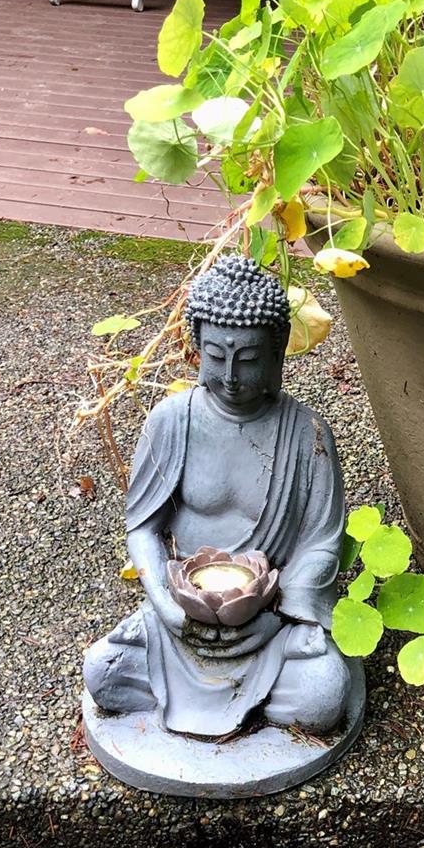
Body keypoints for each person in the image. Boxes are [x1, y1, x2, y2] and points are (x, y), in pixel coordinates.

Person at [83, 255, 351, 738]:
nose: (230, 376)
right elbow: (142, 528)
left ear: (276, 353)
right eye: (215, 355)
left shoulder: (305, 433)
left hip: (272, 619)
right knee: (103, 672)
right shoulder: (172, 422)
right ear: (197, 347)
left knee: (322, 696)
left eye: (247, 359)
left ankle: (258, 679)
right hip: (183, 614)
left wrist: (275, 618)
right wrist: (168, 607)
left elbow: (321, 542)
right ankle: (199, 676)